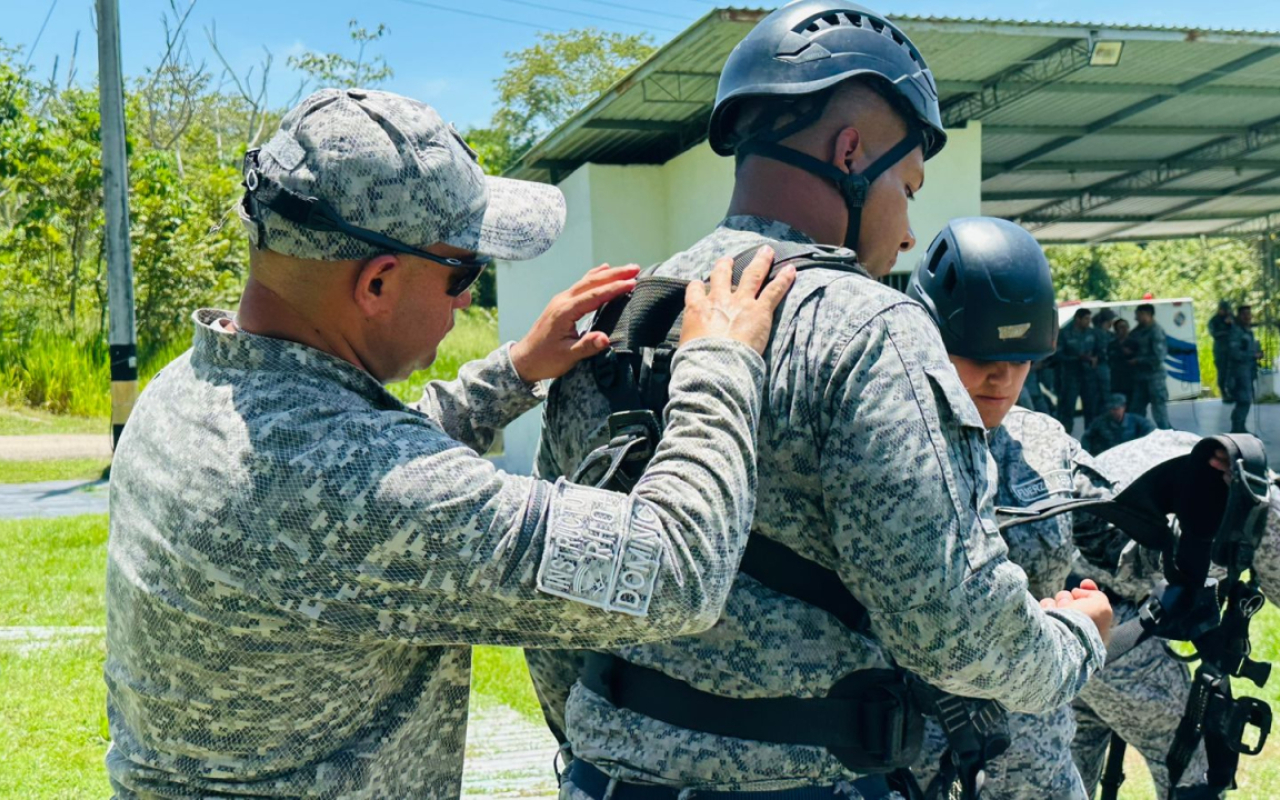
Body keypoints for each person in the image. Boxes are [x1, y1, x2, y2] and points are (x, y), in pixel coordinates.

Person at [104, 88, 798, 799]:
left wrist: (513, 372)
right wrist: (718, 360)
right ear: (376, 282)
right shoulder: (354, 486)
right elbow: (676, 573)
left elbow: (352, 463)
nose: (469, 298)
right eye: (463, 271)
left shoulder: (184, 393)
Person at [526, 5, 1111, 798]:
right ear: (849, 153)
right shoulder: (869, 328)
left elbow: (556, 600)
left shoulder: (624, 315)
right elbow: (949, 628)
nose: (908, 233)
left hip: (605, 777)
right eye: (907, 187)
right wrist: (1073, 640)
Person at [906, 218, 1114, 800]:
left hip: (1039, 765)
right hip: (916, 768)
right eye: (979, 356)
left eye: (1020, 358)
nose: (1002, 377)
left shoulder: (1043, 441)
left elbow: (1112, 544)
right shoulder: (887, 446)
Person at [1057, 307, 1102, 435]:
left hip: (1089, 377)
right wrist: (1077, 358)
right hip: (1071, 377)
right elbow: (1058, 355)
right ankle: (1065, 438)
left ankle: (1092, 440)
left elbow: (1100, 351)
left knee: (1091, 410)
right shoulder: (1065, 333)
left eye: (1090, 319)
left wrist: (1095, 358)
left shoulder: (1092, 333)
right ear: (1078, 319)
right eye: (1086, 319)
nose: (1089, 322)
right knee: (1067, 410)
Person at [1126, 303, 1171, 429]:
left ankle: (1166, 435)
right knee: (1136, 409)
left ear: (1148, 315)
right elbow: (1130, 342)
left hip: (1154, 378)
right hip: (1140, 378)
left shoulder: (1156, 331)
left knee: (1159, 411)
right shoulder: (1138, 330)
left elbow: (1159, 357)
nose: (1136, 318)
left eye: (1139, 315)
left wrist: (1138, 360)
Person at [1225, 304, 1262, 434]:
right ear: (1239, 316)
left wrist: (1257, 353)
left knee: (1246, 400)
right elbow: (1235, 353)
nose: (1248, 317)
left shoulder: (1248, 332)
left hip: (1248, 371)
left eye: (1249, 314)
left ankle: (1240, 428)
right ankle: (1237, 429)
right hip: (1239, 372)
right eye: (1245, 314)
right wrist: (1253, 355)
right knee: (1243, 400)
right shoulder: (1236, 332)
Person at [1081, 393, 1155, 456]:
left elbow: (1151, 430)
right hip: (1109, 456)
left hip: (1131, 455)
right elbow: (1087, 437)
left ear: (1124, 407)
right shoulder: (1100, 422)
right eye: (1112, 409)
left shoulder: (1135, 420)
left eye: (1117, 409)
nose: (1115, 412)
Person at [1092, 308, 1117, 417]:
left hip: (1106, 366)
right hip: (1102, 366)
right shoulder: (1099, 333)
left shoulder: (1106, 333)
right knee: (1105, 394)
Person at [1208, 300, 1235, 402]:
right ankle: (1224, 393)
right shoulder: (1214, 320)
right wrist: (1225, 328)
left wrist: (1231, 324)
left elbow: (1237, 330)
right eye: (1223, 310)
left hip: (1232, 349)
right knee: (1222, 371)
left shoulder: (1231, 318)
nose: (1225, 312)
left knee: (1232, 371)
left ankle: (1232, 392)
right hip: (1220, 349)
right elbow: (1214, 334)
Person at [1109, 318, 1134, 405]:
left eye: (1126, 327)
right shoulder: (1111, 345)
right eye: (1121, 327)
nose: (1124, 330)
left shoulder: (1134, 343)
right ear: (1116, 330)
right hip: (1116, 381)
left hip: (1131, 380)